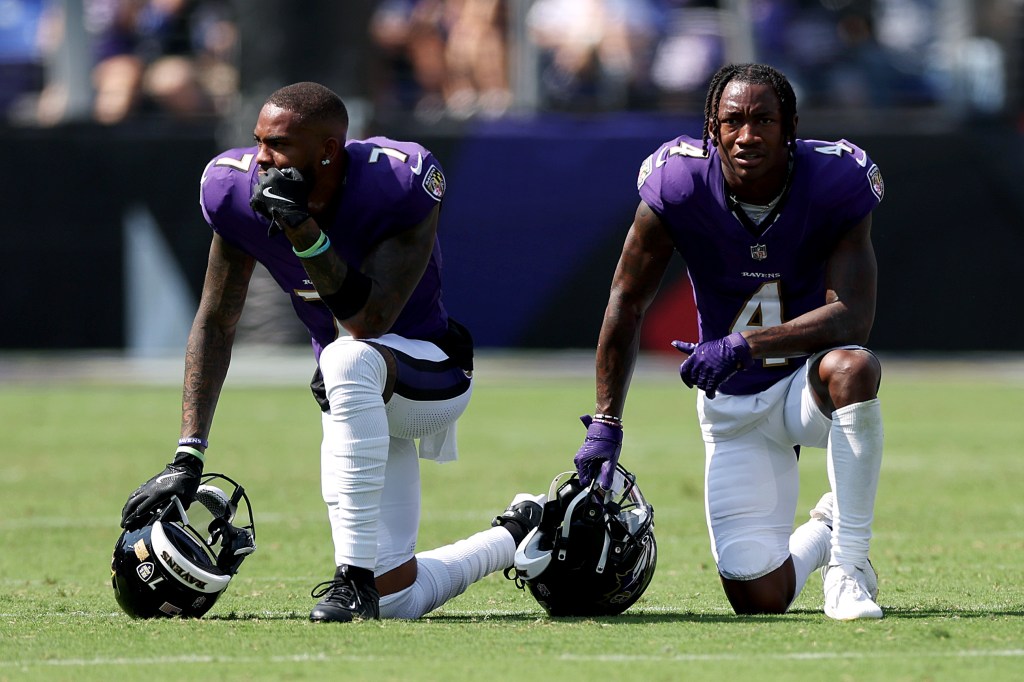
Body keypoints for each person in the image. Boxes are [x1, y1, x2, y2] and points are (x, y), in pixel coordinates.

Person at [119, 81, 544, 623]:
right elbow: (216, 319)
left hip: (429, 371)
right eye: (258, 142)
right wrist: (188, 452)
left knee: (344, 358)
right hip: (354, 394)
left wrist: (302, 230)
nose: (262, 160)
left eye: (279, 145)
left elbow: (370, 320)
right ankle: (518, 532)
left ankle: (351, 580)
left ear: (327, 149)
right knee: (398, 599)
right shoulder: (233, 191)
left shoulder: (397, 180)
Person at [573, 63, 886, 620]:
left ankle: (850, 568)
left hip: (802, 384)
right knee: (757, 597)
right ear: (711, 129)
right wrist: (606, 421)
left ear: (790, 125)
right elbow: (627, 300)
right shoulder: (678, 182)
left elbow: (853, 317)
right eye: (733, 120)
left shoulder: (834, 179)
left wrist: (747, 344)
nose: (748, 135)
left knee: (853, 368)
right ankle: (826, 529)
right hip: (735, 404)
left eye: (763, 120)